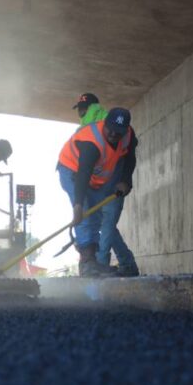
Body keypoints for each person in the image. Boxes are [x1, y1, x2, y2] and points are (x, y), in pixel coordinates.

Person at [57, 107, 137, 277]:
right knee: (85, 213)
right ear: (105, 124)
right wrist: (78, 204)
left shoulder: (128, 136)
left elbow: (130, 158)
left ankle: (94, 262)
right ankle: (87, 262)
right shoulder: (91, 142)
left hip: (94, 176)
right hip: (71, 169)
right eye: (111, 130)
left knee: (95, 217)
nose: (114, 135)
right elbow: (83, 173)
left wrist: (126, 180)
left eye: (119, 133)